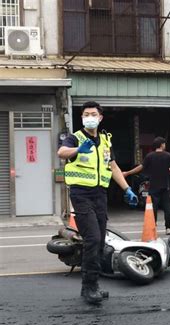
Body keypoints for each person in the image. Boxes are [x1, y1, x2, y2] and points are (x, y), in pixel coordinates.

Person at [58, 101, 138, 305]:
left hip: (100, 195)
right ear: (82, 118)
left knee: (100, 241)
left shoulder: (105, 141)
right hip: (81, 194)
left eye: (93, 114)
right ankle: (88, 287)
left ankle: (94, 284)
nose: (89, 117)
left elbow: (113, 166)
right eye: (86, 114)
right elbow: (62, 153)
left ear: (100, 117)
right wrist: (77, 150)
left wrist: (126, 188)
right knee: (92, 238)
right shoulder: (75, 137)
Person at [123, 136, 170, 235]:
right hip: (165, 186)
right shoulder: (168, 156)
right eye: (164, 144)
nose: (165, 145)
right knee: (167, 208)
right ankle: (168, 228)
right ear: (161, 145)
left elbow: (140, 167)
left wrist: (127, 173)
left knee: (153, 208)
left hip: (153, 186)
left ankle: (154, 226)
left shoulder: (149, 156)